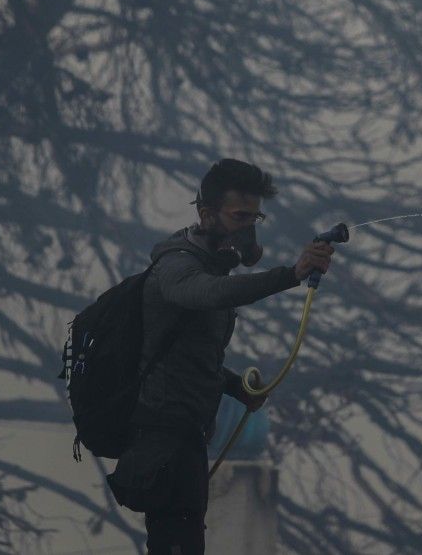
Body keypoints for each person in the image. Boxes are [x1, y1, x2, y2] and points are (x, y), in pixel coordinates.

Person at [106, 159, 333, 554]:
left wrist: (236, 389)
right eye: (238, 216)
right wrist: (292, 274)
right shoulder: (177, 266)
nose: (247, 227)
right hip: (160, 440)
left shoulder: (210, 268)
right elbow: (209, 293)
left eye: (254, 217)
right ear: (206, 214)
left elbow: (190, 358)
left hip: (189, 436)